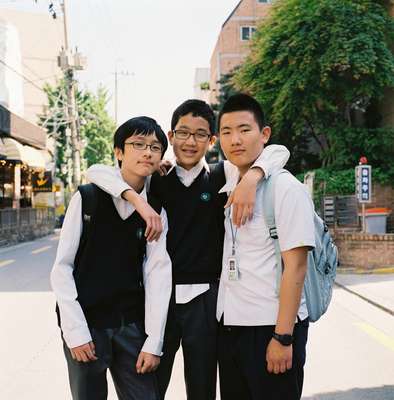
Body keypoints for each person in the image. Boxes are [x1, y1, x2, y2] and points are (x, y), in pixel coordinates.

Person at [87, 99, 290, 400]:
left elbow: (279, 151)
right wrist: (137, 199)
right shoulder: (155, 179)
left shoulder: (225, 175)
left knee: (202, 386)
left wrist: (252, 178)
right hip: (159, 298)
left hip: (207, 301)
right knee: (149, 382)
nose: (190, 142)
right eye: (183, 133)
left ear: (212, 140)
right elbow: (97, 172)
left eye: (200, 134)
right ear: (170, 137)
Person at [51, 117, 172, 400]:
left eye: (155, 147)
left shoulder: (157, 209)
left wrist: (154, 342)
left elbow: (158, 274)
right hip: (88, 324)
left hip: (131, 326)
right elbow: (62, 268)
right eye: (138, 145)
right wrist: (76, 332)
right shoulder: (88, 198)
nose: (147, 152)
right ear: (119, 152)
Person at [216, 94, 316, 400]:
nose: (235, 140)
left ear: (264, 134)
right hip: (231, 325)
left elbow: (296, 267)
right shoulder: (233, 177)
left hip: (270, 328)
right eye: (227, 131)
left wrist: (282, 337)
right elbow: (276, 153)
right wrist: (251, 178)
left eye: (245, 129)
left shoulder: (286, 189)